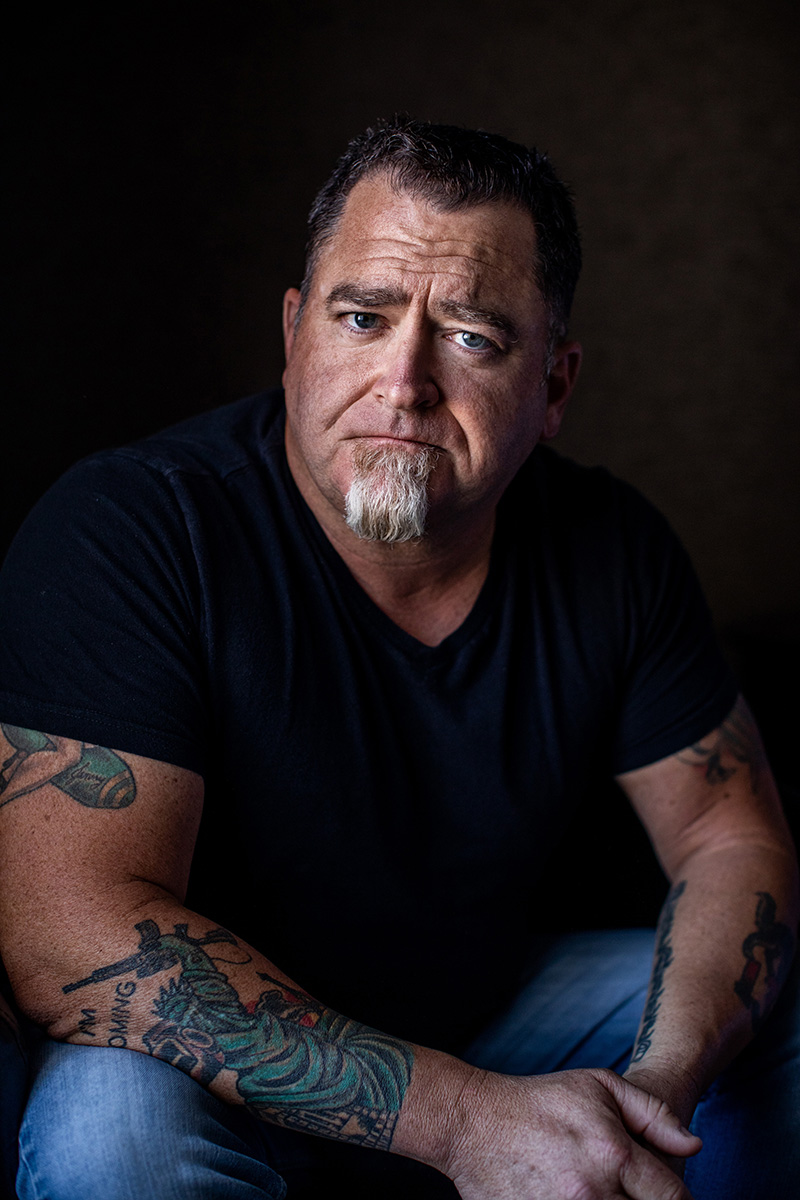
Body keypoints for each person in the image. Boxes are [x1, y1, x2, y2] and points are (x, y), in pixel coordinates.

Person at [0, 116, 797, 1200]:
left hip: (485, 1010)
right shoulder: (133, 527)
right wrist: (463, 1123)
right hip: (193, 1059)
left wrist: (652, 1095)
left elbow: (725, 839)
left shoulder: (611, 548)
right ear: (293, 334)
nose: (404, 381)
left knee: (780, 1006)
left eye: (471, 336)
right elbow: (64, 930)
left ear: (553, 386)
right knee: (113, 1144)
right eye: (362, 317)